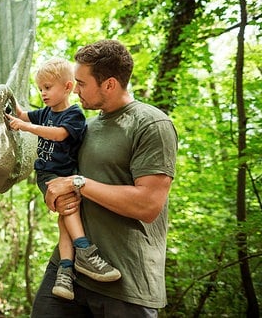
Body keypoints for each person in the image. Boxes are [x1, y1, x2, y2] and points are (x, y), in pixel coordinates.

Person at [30, 40, 178, 317]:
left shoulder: (151, 125)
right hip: (69, 273)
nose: (75, 89)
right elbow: (58, 177)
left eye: (82, 83)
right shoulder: (83, 126)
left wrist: (78, 183)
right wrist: (55, 197)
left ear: (109, 84)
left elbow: (147, 205)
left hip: (126, 279)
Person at [6, 57, 120, 302]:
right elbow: (23, 114)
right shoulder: (44, 113)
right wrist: (7, 96)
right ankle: (85, 251)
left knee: (66, 219)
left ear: (67, 87)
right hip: (48, 175)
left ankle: (65, 271)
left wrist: (26, 128)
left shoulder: (74, 115)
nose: (43, 93)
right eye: (40, 89)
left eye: (47, 87)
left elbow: (59, 135)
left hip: (68, 175)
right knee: (69, 212)